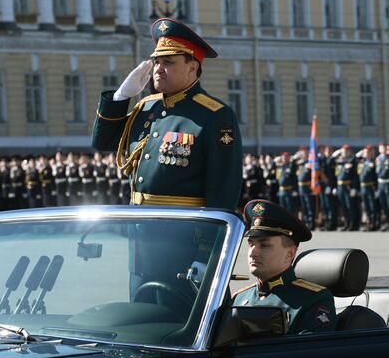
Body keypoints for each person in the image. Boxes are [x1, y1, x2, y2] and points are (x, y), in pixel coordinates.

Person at [92, 17, 242, 209]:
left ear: (192, 67)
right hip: (139, 224)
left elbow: (223, 187)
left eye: (168, 62)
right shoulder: (146, 107)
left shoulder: (215, 115)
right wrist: (120, 97)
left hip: (183, 229)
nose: (158, 69)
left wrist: (209, 237)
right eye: (156, 62)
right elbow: (103, 142)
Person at [233, 199, 336, 334]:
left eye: (264, 245)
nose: (253, 252)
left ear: (290, 253)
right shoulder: (238, 298)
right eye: (251, 244)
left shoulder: (313, 300)